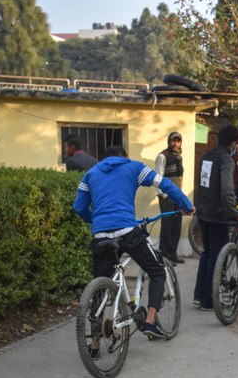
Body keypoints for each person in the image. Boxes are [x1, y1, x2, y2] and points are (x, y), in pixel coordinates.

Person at [73, 142, 194, 341]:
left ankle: (93, 344)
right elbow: (164, 183)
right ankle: (150, 322)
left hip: (101, 235)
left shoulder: (91, 173)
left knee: (100, 287)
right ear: (124, 156)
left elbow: (79, 207)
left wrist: (97, 221)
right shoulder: (133, 167)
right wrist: (186, 205)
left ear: (104, 158)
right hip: (127, 232)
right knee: (157, 271)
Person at [193, 125, 238, 311]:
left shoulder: (206, 156)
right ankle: (209, 300)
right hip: (218, 215)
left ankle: (199, 296)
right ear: (232, 144)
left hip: (203, 212)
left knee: (207, 254)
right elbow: (226, 191)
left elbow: (202, 184)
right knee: (216, 257)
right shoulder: (226, 160)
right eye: (236, 144)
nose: (236, 147)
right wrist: (235, 215)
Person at [155, 132, 185, 265]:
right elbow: (158, 178)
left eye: (178, 141)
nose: (175, 144)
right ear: (169, 141)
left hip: (177, 197)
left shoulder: (179, 157)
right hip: (166, 197)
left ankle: (172, 254)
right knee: (167, 226)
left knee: (176, 226)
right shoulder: (162, 156)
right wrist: (164, 195)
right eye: (173, 141)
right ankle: (165, 257)